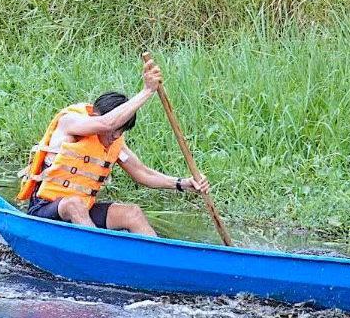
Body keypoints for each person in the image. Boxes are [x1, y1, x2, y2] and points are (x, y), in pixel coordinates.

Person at [17, 57, 210, 237]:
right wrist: (147, 91)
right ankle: (97, 254)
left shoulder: (114, 142)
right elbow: (107, 124)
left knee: (132, 213)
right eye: (116, 129)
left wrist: (183, 183)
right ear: (95, 118)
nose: (116, 136)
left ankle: (161, 261)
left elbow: (143, 174)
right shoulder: (71, 123)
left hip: (84, 212)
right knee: (75, 204)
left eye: (122, 130)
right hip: (45, 210)